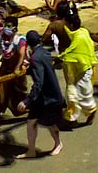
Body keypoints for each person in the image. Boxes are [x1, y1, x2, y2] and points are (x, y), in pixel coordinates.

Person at [19, 31, 65, 159]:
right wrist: (30, 67)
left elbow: (39, 82)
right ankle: (31, 150)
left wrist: (26, 101)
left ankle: (58, 144)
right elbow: (42, 69)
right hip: (47, 95)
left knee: (49, 123)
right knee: (31, 122)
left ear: (28, 44)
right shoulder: (44, 52)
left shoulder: (35, 58)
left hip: (47, 96)